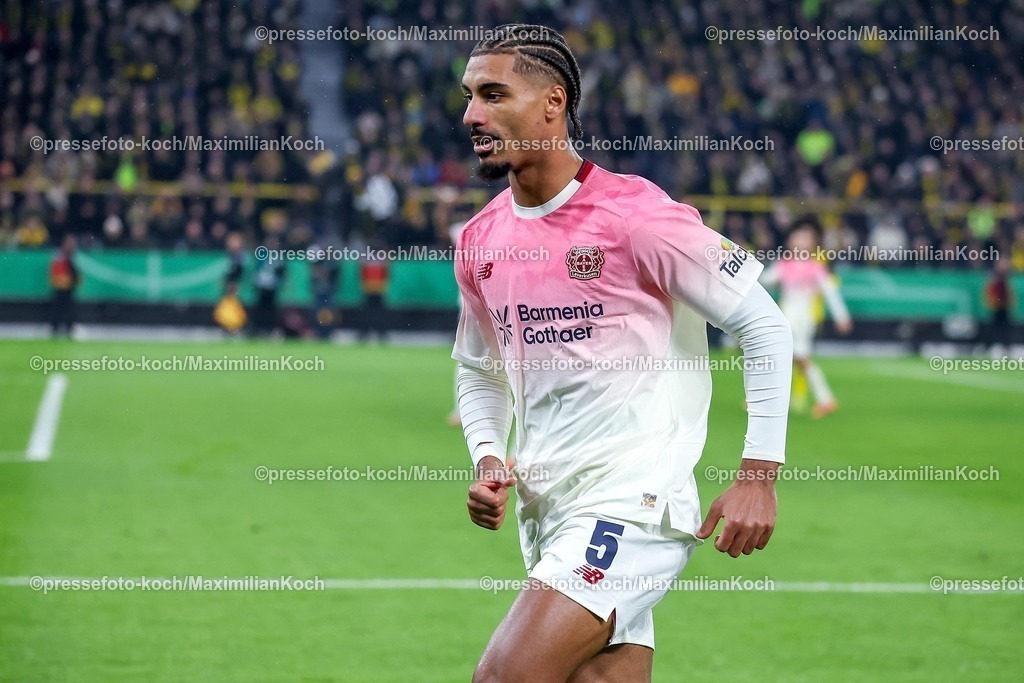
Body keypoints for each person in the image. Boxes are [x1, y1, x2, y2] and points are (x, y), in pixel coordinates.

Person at [451, 25, 793, 683]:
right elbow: (478, 369)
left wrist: (759, 473)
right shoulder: (480, 238)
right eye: (469, 97)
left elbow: (764, 323)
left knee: (504, 676)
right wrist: (489, 454)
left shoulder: (636, 215)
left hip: (634, 500)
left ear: (552, 103)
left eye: (493, 95)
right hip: (546, 509)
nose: (472, 115)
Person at [761, 220, 852, 418]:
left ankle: (769, 398)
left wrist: (841, 316)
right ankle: (824, 399)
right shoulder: (784, 263)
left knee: (788, 357)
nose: (799, 241)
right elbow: (765, 280)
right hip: (786, 315)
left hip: (801, 318)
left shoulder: (814, 267)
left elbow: (830, 292)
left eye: (805, 238)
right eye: (797, 237)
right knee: (796, 359)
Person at [49, 234, 79, 337]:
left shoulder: (73, 256)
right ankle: (55, 328)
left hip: (69, 287)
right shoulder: (59, 256)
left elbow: (76, 272)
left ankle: (69, 328)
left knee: (69, 308)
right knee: (58, 308)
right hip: (60, 287)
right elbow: (56, 271)